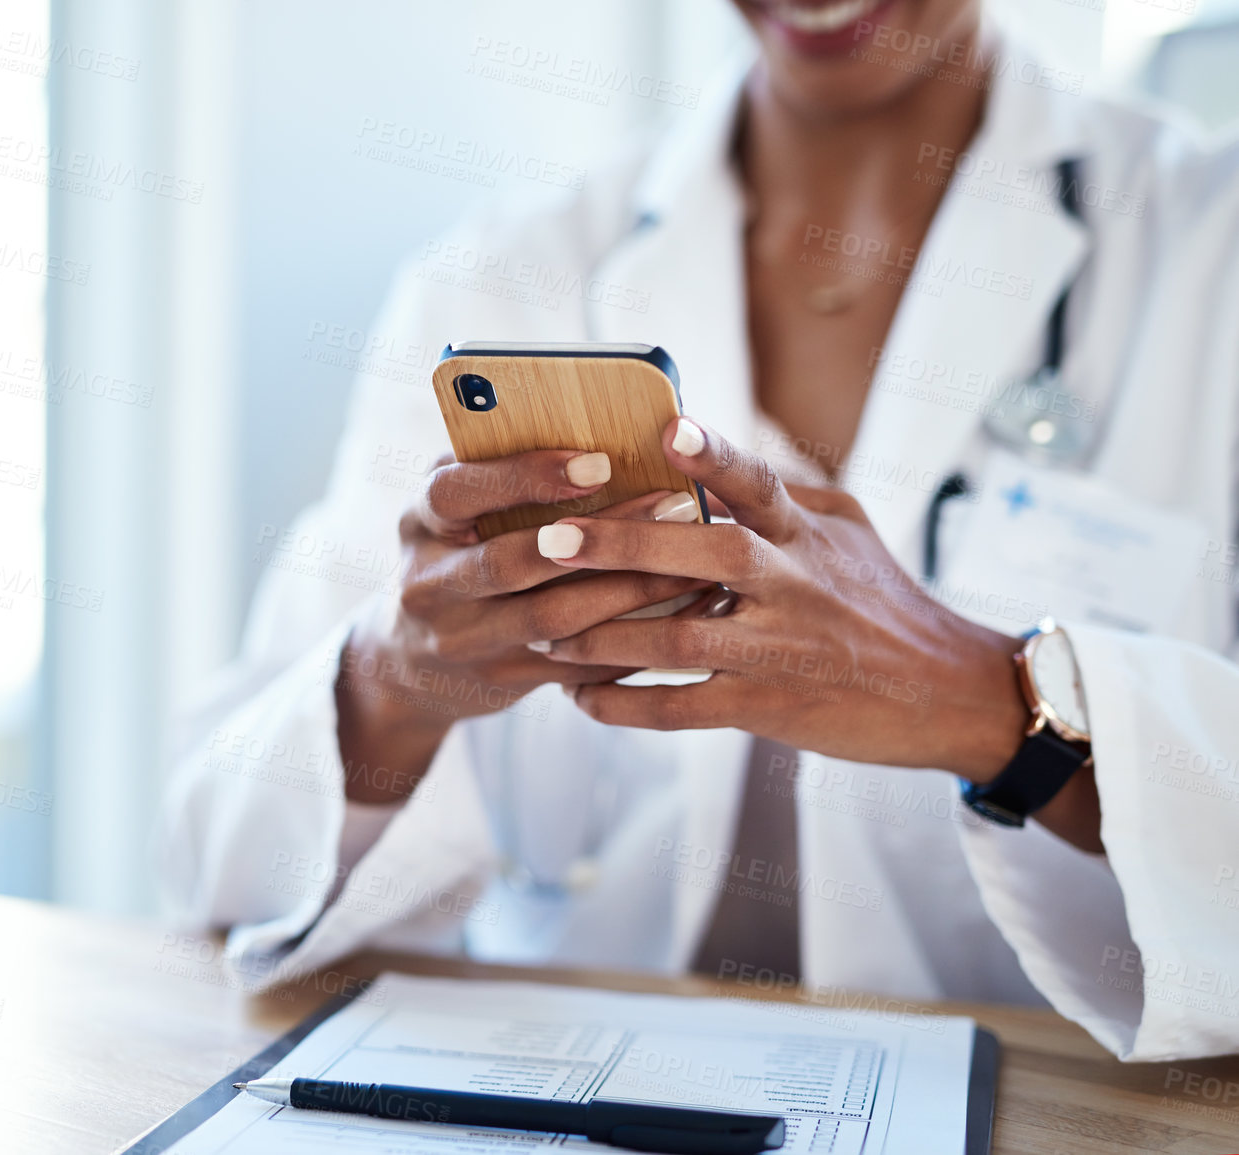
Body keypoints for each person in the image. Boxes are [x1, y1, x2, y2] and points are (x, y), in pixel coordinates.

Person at [160, 0, 1239, 1061]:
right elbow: (216, 869)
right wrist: (395, 686)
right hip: (566, 1096)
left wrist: (990, 704)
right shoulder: (512, 272)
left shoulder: (1205, 246)